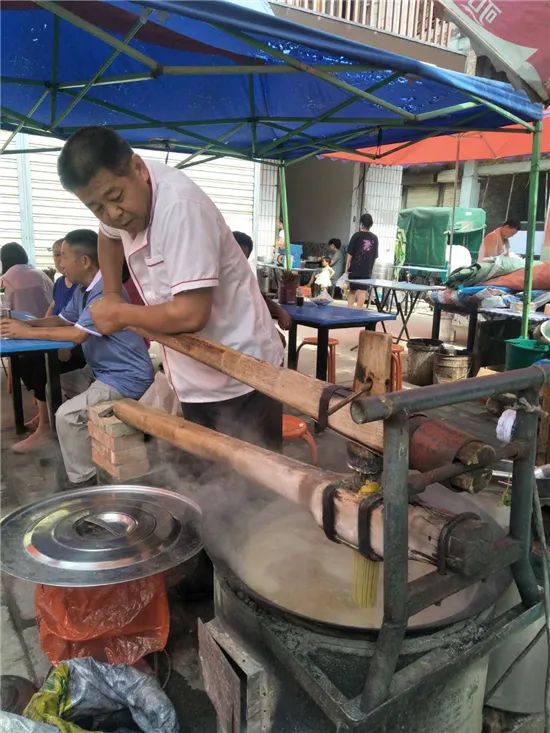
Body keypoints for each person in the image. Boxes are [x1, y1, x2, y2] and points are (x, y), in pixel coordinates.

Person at [57, 127, 284, 450]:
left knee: (255, 483)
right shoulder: (116, 199)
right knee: (203, 474)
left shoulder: (180, 207)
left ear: (138, 168)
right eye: (97, 207)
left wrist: (120, 313)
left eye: (116, 198)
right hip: (191, 369)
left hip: (242, 371)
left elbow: (191, 314)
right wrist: (110, 294)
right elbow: (106, 236)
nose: (113, 213)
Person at [0, 229, 154, 484]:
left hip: (125, 378)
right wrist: (27, 324)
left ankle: (85, 481)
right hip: (101, 373)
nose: (59, 263)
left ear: (84, 261)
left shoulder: (104, 292)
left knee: (67, 415)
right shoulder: (83, 289)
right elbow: (62, 319)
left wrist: (26, 331)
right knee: (52, 387)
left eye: (64, 256)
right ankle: (68, 445)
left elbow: (76, 335)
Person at [232, 230, 291, 331]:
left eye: (242, 259)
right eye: (234, 256)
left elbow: (258, 297)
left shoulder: (243, 275)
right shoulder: (214, 276)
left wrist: (280, 311)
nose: (237, 262)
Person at [0, 242, 53, 317]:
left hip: (16, 325)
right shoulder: (41, 275)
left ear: (3, 261)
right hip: (48, 324)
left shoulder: (4, 280)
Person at [345, 213, 378, 308]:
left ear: (361, 223)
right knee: (362, 291)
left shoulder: (356, 236)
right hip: (366, 270)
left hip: (354, 269)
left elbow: (350, 253)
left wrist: (346, 267)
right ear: (371, 224)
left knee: (352, 290)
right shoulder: (375, 238)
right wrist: (370, 269)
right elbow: (375, 256)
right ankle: (358, 312)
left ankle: (349, 310)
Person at [45, 238, 77, 316]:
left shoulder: (82, 284)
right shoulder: (59, 282)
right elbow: (53, 306)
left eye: (64, 254)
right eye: (57, 255)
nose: (60, 260)